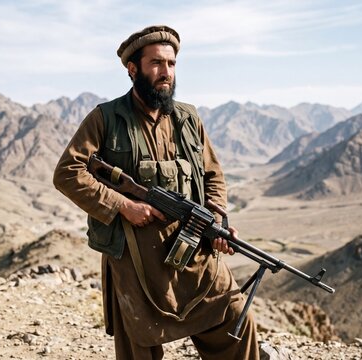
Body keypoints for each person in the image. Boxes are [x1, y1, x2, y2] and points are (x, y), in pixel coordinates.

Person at [53, 25, 258, 360]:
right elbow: (67, 173)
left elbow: (213, 175)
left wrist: (218, 216)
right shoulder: (106, 118)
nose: (166, 73)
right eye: (156, 64)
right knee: (139, 346)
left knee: (235, 316)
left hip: (193, 249)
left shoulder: (189, 118)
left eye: (172, 64)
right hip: (135, 258)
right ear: (133, 69)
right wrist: (122, 205)